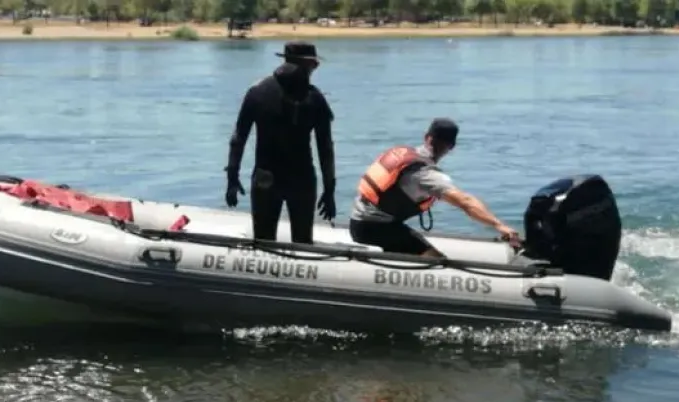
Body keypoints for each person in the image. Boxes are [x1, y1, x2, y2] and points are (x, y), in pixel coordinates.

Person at [349, 118, 521, 257]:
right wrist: (499, 225)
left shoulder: (404, 155)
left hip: (358, 221)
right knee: (436, 261)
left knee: (408, 241)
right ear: (451, 147)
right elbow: (466, 202)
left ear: (427, 137)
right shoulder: (425, 174)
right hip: (375, 228)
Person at [223, 41, 337, 245]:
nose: (316, 69)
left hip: (265, 178)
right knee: (303, 244)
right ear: (307, 64)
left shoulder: (257, 92)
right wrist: (329, 190)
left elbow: (238, 138)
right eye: (315, 64)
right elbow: (325, 149)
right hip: (301, 179)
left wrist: (232, 176)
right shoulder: (314, 98)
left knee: (263, 244)